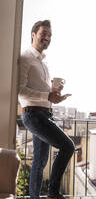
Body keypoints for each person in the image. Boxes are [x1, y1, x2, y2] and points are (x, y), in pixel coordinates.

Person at [18, 20, 75, 199]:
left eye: (50, 35)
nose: (47, 38)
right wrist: (46, 97)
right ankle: (53, 193)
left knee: (40, 161)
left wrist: (53, 94)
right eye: (44, 33)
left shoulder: (43, 63)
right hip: (33, 115)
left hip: (43, 114)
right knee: (67, 146)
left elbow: (45, 94)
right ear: (33, 34)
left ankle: (34, 197)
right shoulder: (26, 57)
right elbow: (19, 89)